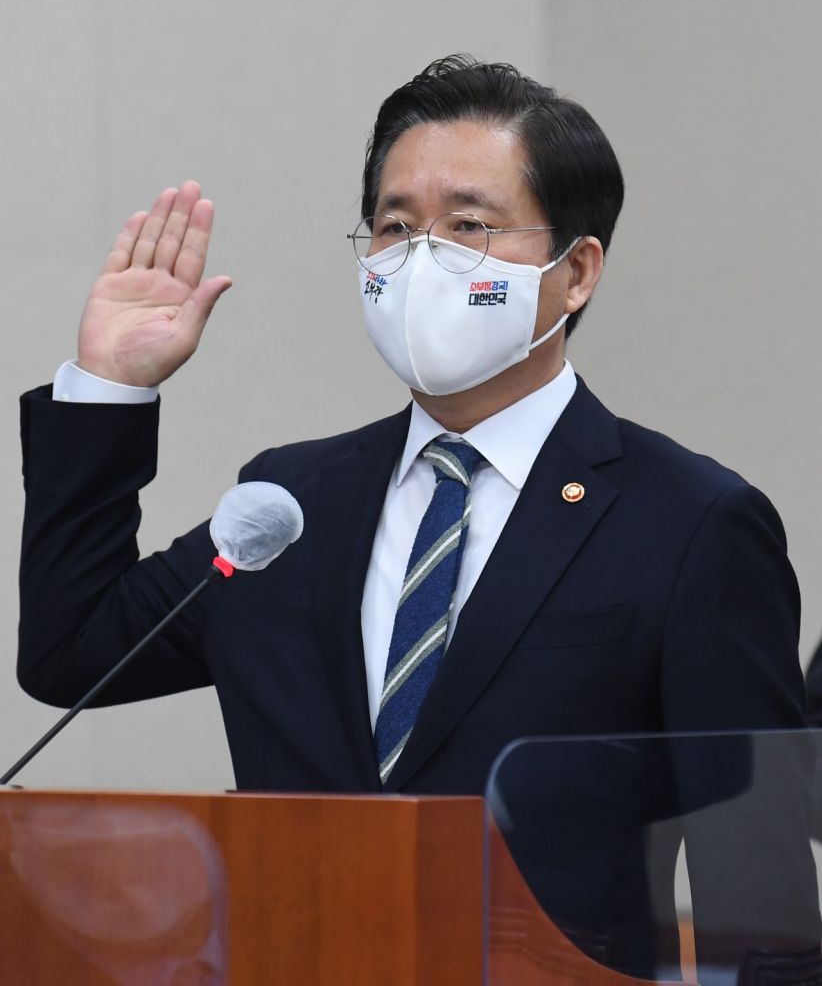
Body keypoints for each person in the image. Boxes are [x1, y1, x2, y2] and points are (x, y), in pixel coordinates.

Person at [17, 56, 818, 978]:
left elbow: (759, 901)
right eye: (396, 227)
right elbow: (71, 650)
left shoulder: (690, 523)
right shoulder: (291, 504)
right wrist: (110, 389)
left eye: (469, 225)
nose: (421, 257)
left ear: (576, 272)